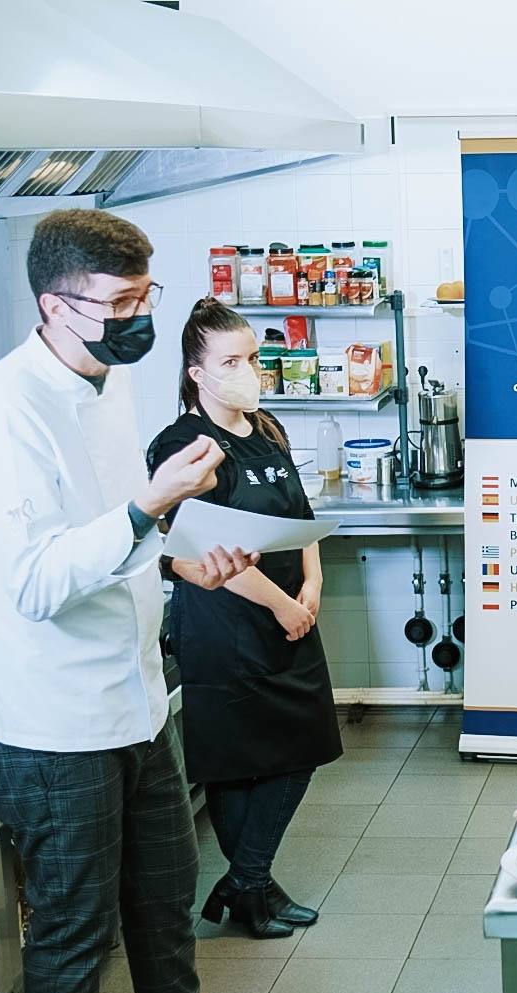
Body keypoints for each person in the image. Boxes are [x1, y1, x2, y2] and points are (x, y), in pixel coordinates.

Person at [0, 210, 305, 993]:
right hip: (53, 727)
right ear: (53, 304)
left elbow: (120, 539)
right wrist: (150, 509)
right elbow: (34, 580)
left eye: (146, 296)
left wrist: (188, 557)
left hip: (137, 704)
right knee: (75, 935)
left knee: (163, 907)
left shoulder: (110, 385)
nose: (136, 318)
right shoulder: (3, 408)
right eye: (118, 302)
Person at [148, 298, 342, 939]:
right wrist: (284, 603)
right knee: (238, 759)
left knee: (305, 743)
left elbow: (298, 511)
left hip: (292, 616)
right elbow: (202, 544)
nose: (248, 371)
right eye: (230, 361)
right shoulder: (184, 447)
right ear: (197, 373)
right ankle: (252, 885)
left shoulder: (267, 427)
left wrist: (312, 578)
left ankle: (246, 882)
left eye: (252, 357)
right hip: (226, 628)